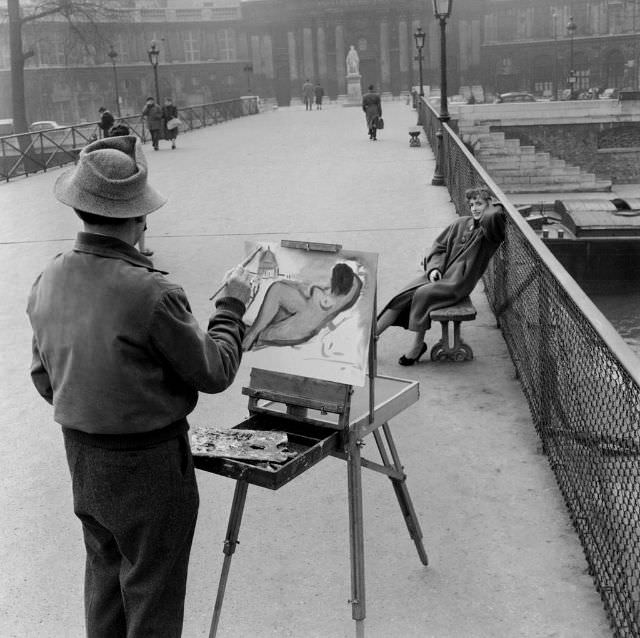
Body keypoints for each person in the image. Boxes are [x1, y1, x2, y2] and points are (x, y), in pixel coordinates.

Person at [26, 134, 252, 638]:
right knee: (153, 593)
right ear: (139, 219)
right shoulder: (152, 292)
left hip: (82, 457)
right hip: (149, 464)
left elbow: (44, 378)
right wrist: (231, 309)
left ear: (80, 210)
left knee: (105, 581)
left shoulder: (49, 278)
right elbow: (214, 372)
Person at [376, 187, 506, 365]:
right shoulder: (461, 223)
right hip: (439, 276)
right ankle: (372, 341)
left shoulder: (489, 233)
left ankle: (414, 346)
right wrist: (434, 269)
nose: (475, 208)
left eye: (480, 204)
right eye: (472, 204)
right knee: (401, 298)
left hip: (457, 283)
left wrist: (493, 202)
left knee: (422, 295)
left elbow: (495, 215)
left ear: (489, 204)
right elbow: (439, 247)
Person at [243, 262, 363, 351]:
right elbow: (355, 282)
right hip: (305, 320)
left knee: (277, 290)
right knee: (283, 294)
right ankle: (254, 332)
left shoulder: (322, 299)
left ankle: (252, 335)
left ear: (334, 283)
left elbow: (306, 291)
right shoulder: (350, 291)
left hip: (296, 329)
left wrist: (311, 286)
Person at [109, 123, 154, 256]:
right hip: (133, 191)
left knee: (116, 223)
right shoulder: (134, 151)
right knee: (140, 219)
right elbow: (142, 171)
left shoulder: (107, 153)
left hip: (114, 193)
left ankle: (120, 250)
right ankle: (142, 249)